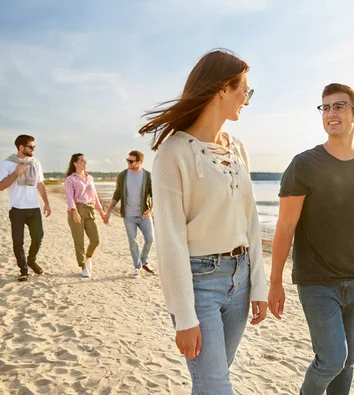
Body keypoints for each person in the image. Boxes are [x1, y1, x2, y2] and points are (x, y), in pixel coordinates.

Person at [138, 49, 268, 395]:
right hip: (199, 285)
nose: (247, 100)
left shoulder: (237, 147)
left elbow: (250, 219)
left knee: (212, 381)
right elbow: (170, 240)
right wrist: (183, 316)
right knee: (215, 385)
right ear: (222, 88)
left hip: (240, 280)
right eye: (245, 90)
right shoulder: (172, 153)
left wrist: (259, 284)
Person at [268, 83, 354, 395]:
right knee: (332, 359)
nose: (331, 113)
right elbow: (286, 225)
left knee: (348, 363)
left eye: (339, 106)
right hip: (316, 281)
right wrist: (275, 280)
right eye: (325, 107)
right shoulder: (304, 164)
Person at [0, 135, 51, 281]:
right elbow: (1, 186)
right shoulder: (7, 164)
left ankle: (31, 260)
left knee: (38, 236)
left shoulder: (36, 163)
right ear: (21, 147)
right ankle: (23, 270)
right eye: (30, 147)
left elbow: (40, 184)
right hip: (16, 208)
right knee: (18, 241)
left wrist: (46, 203)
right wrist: (17, 173)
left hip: (34, 207)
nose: (33, 150)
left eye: (34, 147)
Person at [104, 150, 155, 278]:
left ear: (139, 162)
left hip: (144, 215)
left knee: (150, 238)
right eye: (128, 160)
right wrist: (108, 212)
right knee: (133, 241)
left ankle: (144, 260)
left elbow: (155, 194)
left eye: (131, 161)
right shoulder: (123, 175)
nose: (128, 163)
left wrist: (151, 210)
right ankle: (137, 267)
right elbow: (117, 193)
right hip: (129, 215)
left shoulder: (147, 176)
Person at [64, 153, 106, 278]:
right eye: (82, 161)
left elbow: (95, 196)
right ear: (75, 163)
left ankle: (87, 257)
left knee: (95, 240)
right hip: (77, 209)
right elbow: (69, 197)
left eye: (85, 161)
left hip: (90, 209)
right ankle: (83, 266)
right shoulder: (70, 179)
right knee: (79, 241)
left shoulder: (90, 178)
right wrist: (74, 211)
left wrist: (101, 211)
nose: (85, 163)